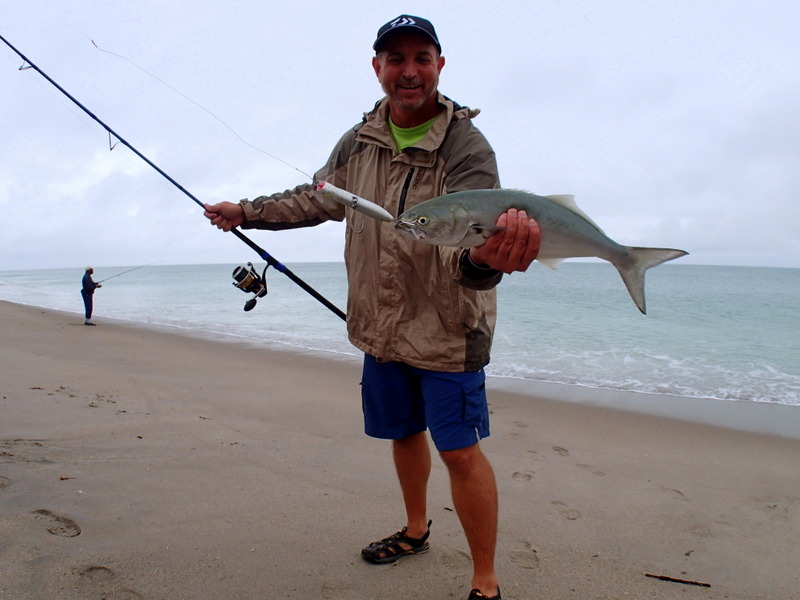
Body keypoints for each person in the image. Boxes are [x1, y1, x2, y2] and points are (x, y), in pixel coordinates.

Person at [204, 15, 540, 600]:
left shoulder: (466, 148)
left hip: (446, 330)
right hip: (380, 323)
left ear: (440, 64)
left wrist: (490, 261)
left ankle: (485, 582)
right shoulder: (359, 139)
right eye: (396, 59)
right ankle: (416, 529)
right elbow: (319, 199)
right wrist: (248, 211)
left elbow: (473, 253)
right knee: (402, 432)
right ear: (377, 67)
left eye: (421, 57)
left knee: (459, 450)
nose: (409, 71)